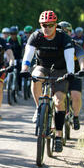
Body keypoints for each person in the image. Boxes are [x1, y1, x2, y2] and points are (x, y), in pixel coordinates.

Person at [20, 11, 75, 153]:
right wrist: (24, 68)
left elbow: (69, 58)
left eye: (50, 25)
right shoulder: (36, 36)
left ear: (55, 25)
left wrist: (70, 73)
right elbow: (28, 53)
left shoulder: (64, 37)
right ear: (40, 25)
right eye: (44, 25)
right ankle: (39, 108)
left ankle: (58, 135)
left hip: (61, 69)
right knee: (35, 77)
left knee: (58, 101)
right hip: (43, 66)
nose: (47, 28)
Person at [58, 21, 84, 130]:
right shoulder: (55, 45)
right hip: (58, 75)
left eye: (66, 31)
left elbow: (81, 58)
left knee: (76, 96)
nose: (63, 33)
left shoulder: (75, 44)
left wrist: (82, 69)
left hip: (74, 74)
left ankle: (75, 117)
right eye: (61, 30)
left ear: (70, 32)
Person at [7, 25, 23, 91]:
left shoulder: (20, 39)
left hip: (18, 57)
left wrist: (22, 58)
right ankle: (8, 84)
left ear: (17, 34)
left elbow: (23, 49)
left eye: (14, 34)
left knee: (19, 73)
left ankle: (19, 87)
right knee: (8, 69)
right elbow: (6, 50)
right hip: (11, 58)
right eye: (11, 34)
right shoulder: (8, 40)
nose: (13, 35)